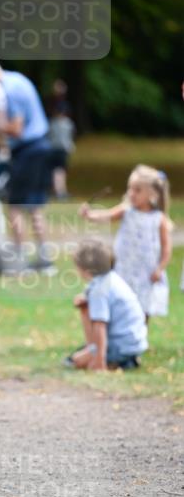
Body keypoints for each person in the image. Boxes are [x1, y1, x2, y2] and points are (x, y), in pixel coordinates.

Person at [79, 166, 172, 318]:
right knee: (120, 304)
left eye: (137, 190)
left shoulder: (158, 219)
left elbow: (166, 248)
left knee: (143, 308)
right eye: (130, 188)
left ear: (152, 194)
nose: (131, 193)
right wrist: (89, 215)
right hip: (124, 268)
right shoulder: (126, 210)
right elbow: (107, 216)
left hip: (146, 273)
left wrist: (160, 269)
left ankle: (140, 340)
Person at [65, 239, 148, 371]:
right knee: (76, 357)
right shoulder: (111, 279)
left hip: (119, 346)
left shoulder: (99, 291)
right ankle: (124, 360)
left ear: (86, 271)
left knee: (74, 361)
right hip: (133, 344)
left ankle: (115, 362)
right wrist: (85, 306)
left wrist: (99, 362)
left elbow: (100, 326)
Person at [0, 69, 55, 268]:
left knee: (15, 205)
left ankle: (20, 258)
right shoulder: (17, 79)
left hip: (26, 151)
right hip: (41, 146)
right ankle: (45, 258)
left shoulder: (8, 88)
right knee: (35, 207)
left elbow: (16, 128)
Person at [44, 78, 75, 199]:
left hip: (54, 147)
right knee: (59, 170)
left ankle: (57, 190)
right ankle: (60, 192)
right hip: (58, 147)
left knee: (56, 170)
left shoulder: (55, 118)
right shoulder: (65, 123)